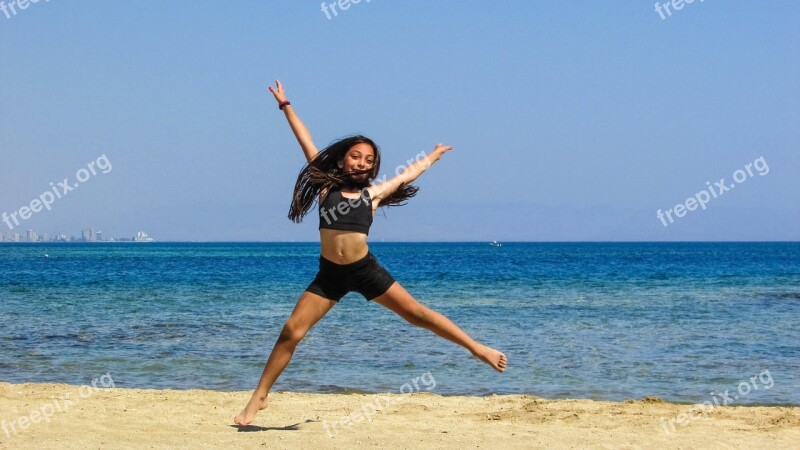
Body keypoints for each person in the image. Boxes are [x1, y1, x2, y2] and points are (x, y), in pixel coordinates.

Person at [234, 80, 507, 426]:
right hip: (329, 275)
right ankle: (258, 398)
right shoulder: (325, 186)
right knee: (291, 332)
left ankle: (476, 348)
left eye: (369, 160)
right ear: (343, 158)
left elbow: (409, 173)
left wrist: (434, 155)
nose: (362, 163)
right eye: (356, 156)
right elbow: (304, 140)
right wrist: (285, 104)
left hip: (364, 270)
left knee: (417, 315)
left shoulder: (373, 195)